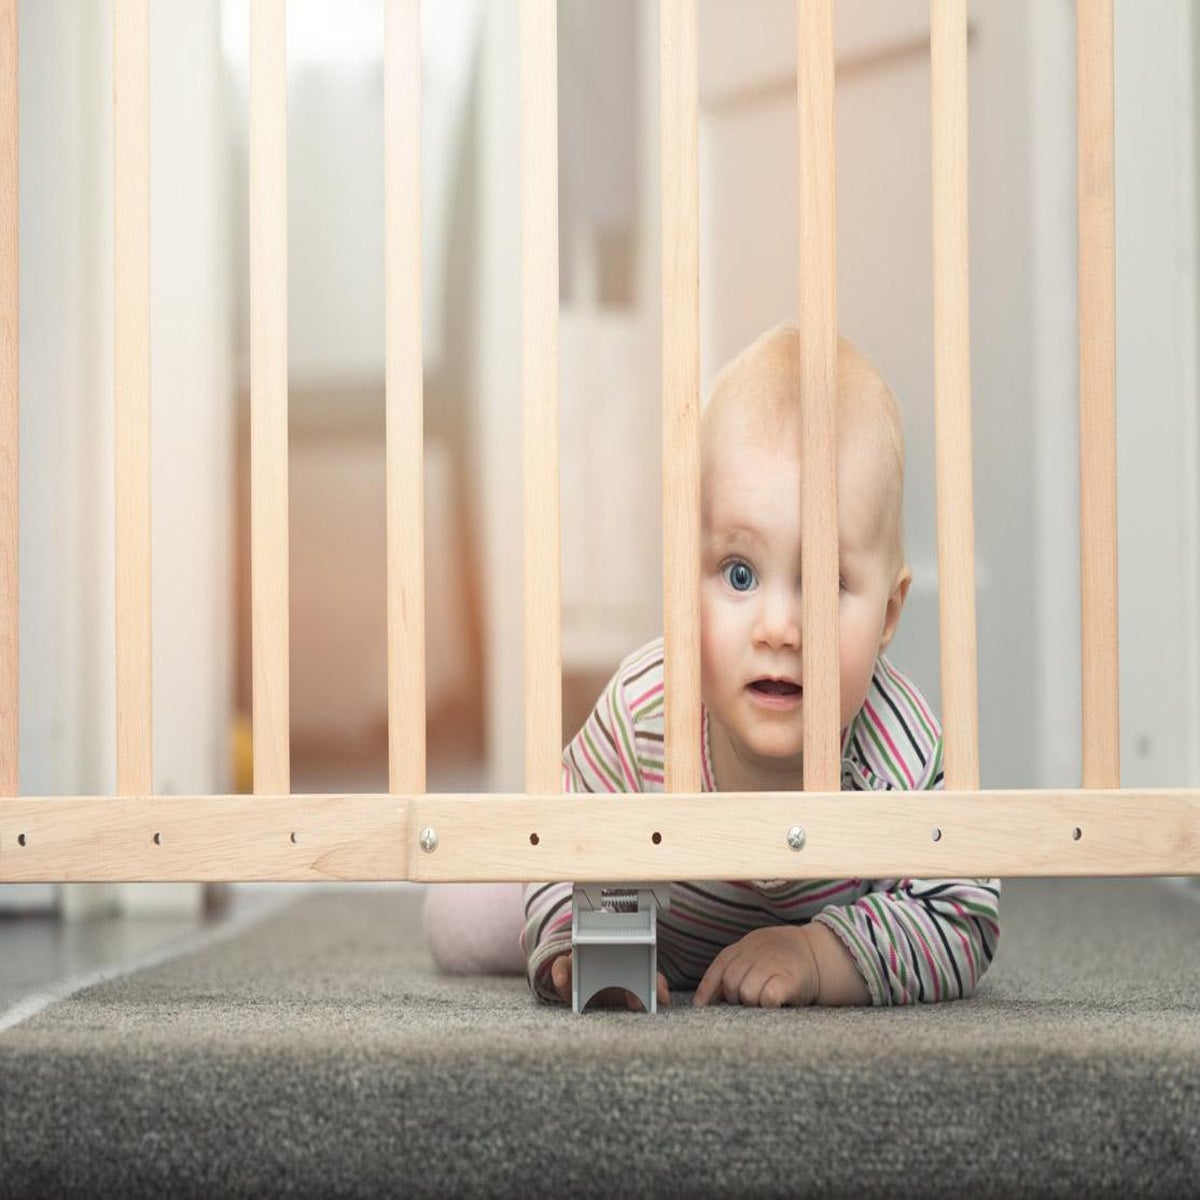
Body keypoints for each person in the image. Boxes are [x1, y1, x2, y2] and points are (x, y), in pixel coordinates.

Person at [425, 324, 1000, 1008]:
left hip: (820, 925)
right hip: (647, 914)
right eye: (738, 573)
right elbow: (569, 835)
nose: (779, 628)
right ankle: (515, 909)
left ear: (889, 613)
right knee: (474, 907)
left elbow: (962, 913)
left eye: (825, 583)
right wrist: (582, 945)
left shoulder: (899, 748)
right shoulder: (644, 712)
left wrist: (820, 955)